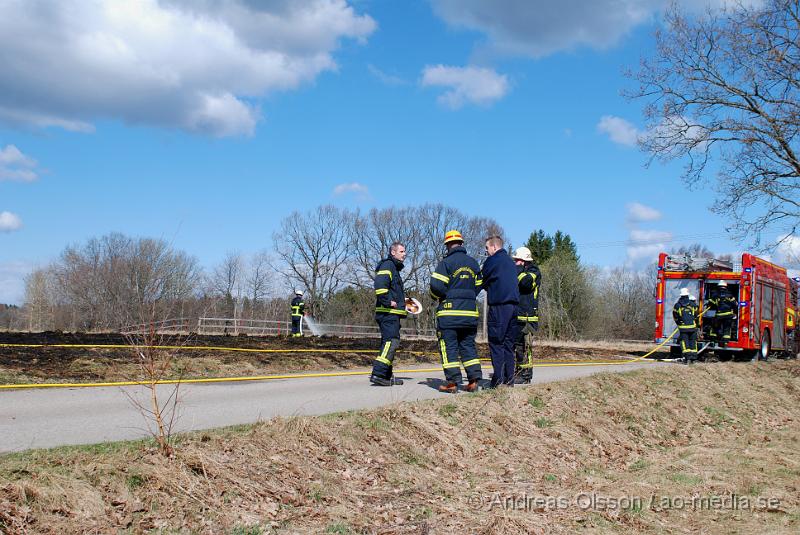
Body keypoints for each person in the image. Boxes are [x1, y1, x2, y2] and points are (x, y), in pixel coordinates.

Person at [429, 230, 483, 393]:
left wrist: (438, 296)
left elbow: (436, 287)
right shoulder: (473, 263)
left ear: (447, 245)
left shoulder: (446, 263)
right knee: (468, 346)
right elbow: (479, 284)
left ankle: (452, 383)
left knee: (449, 347)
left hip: (449, 314)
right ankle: (473, 381)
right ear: (461, 243)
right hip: (470, 314)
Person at [480, 235, 520, 387]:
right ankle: (509, 380)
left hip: (499, 306)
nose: (486, 252)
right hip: (513, 307)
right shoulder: (511, 262)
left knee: (496, 342)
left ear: (494, 247)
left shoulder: (493, 261)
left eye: (487, 248)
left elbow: (482, 279)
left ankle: (497, 381)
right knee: (509, 345)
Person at [370, 242, 408, 386]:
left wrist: (402, 302)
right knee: (391, 342)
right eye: (402, 251)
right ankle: (378, 374)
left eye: (404, 251)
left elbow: (391, 290)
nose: (404, 254)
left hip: (392, 313)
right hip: (388, 313)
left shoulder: (394, 268)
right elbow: (380, 286)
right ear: (393, 252)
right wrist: (387, 302)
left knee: (388, 343)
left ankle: (386, 375)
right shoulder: (388, 265)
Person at [512, 246, 541, 384]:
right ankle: (518, 372)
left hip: (528, 318)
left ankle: (526, 375)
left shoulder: (534, 272)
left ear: (523, 261)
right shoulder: (519, 271)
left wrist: (518, 270)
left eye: (517, 260)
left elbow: (526, 283)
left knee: (525, 347)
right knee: (517, 347)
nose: (515, 263)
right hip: (517, 316)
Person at [673, 288, 700, 363]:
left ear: (681, 295)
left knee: (684, 342)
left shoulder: (677, 305)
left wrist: (678, 323)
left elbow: (675, 316)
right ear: (688, 295)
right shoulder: (693, 305)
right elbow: (696, 316)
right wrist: (696, 325)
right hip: (692, 327)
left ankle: (687, 357)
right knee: (693, 342)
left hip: (683, 328)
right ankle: (693, 358)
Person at [709, 281, 737, 347]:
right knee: (727, 328)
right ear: (726, 286)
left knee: (715, 327)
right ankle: (725, 341)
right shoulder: (730, 295)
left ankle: (713, 339)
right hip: (728, 315)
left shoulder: (715, 294)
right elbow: (735, 304)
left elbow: (711, 303)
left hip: (719, 315)